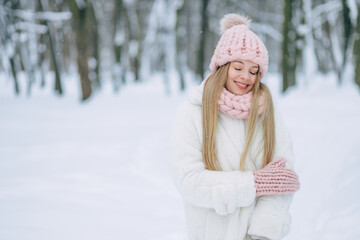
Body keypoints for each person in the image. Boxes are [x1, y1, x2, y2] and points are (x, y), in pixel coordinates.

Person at [169, 13, 301, 240]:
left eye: (253, 71)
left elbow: (281, 182)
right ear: (222, 66)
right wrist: (254, 183)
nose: (245, 77)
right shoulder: (192, 112)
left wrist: (261, 233)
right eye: (238, 67)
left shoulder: (269, 114)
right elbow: (189, 180)